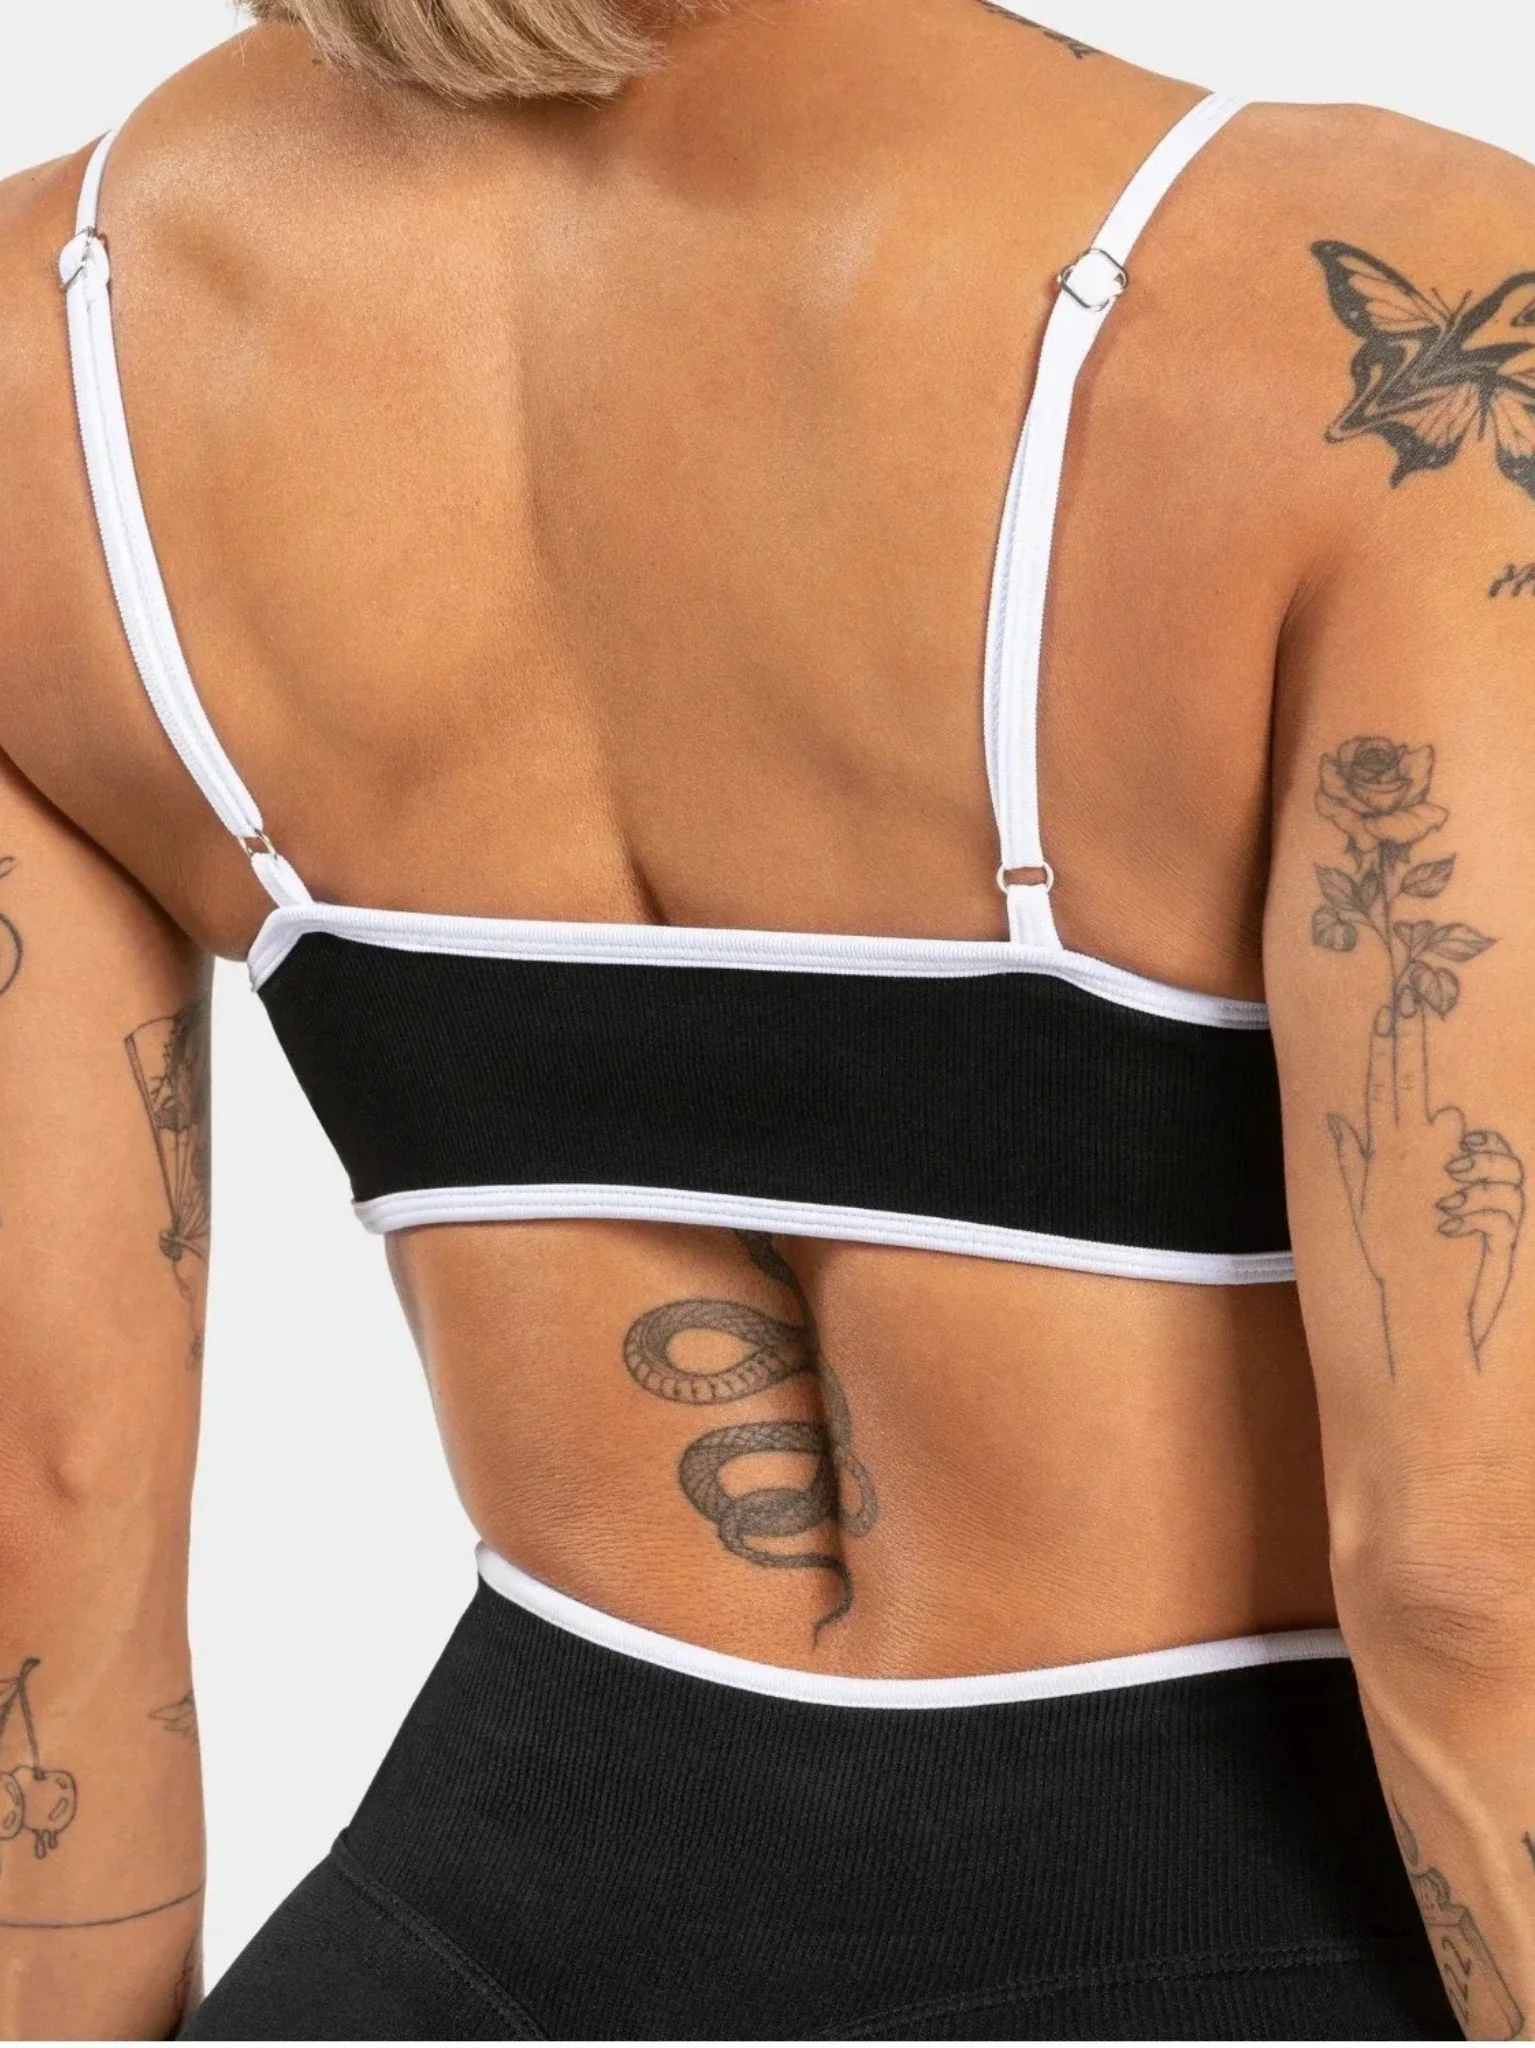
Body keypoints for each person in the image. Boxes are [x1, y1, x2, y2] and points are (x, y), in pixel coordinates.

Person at [0, 0, 1532, 2034]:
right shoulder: (1388, 302)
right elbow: (1470, 1563)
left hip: (477, 1941)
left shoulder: (45, 341)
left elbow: (48, 1485)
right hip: (1221, 1926)